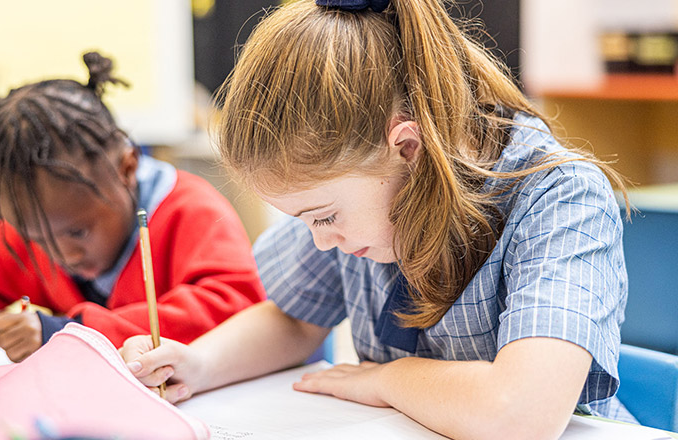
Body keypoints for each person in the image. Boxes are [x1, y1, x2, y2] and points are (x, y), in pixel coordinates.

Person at [119, 1, 633, 438]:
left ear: (406, 147)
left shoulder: (559, 197)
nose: (322, 242)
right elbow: (295, 318)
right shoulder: (366, 198)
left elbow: (520, 413)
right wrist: (199, 365)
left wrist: (387, 378)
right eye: (305, 222)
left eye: (324, 217)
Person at [0, 52, 265, 363]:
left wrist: (73, 333)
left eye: (78, 232)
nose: (65, 256)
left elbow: (238, 309)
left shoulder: (191, 212)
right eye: (36, 237)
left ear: (127, 169)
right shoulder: (38, 229)